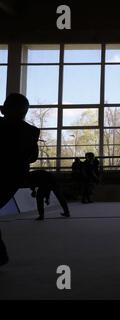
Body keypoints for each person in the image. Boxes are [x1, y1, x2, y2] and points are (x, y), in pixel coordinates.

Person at [0, 93, 40, 266]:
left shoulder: (2, 125)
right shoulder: (31, 131)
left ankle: (0, 254)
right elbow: (33, 157)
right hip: (16, 177)